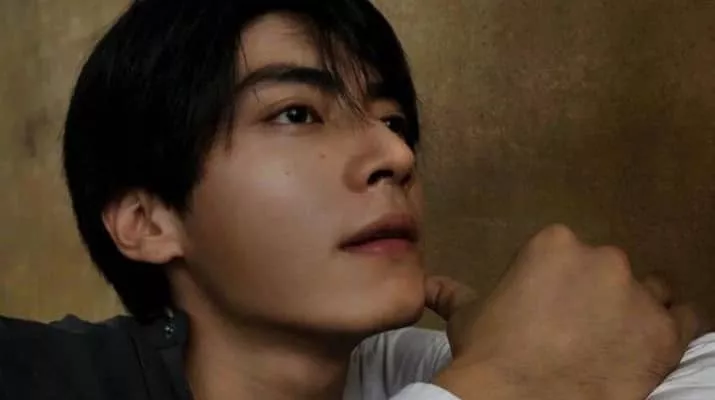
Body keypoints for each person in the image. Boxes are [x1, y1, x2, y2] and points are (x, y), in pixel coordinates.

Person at [1, 0, 714, 399]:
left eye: (394, 121)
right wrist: (505, 386)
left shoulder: (408, 366)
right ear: (148, 220)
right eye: (296, 113)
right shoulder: (33, 374)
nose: (397, 156)